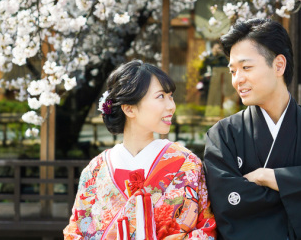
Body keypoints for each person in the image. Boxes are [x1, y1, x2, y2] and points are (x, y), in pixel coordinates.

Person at [203, 19, 301, 240]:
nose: (238, 80)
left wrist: (266, 176)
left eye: (246, 67)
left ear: (279, 65)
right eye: (233, 71)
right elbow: (230, 205)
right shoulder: (223, 136)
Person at [64, 60, 216, 240]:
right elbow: (75, 232)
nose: (171, 106)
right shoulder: (95, 170)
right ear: (129, 108)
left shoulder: (188, 164)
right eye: (161, 96)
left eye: (171, 96)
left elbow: (206, 228)